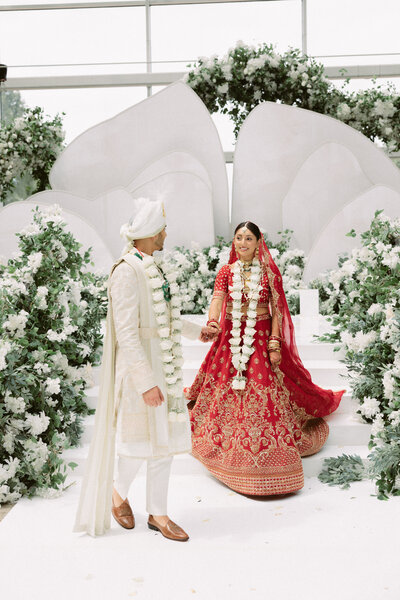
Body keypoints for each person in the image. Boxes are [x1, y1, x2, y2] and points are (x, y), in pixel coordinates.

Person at [74, 197, 214, 540]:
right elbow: (125, 332)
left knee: (163, 443)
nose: (167, 233)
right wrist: (145, 381)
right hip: (141, 371)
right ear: (152, 232)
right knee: (140, 444)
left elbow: (166, 318)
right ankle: (117, 493)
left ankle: (159, 514)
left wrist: (199, 333)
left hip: (164, 366)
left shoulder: (155, 266)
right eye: (163, 228)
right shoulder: (126, 271)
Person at [186, 221, 344, 496]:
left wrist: (274, 343)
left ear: (259, 242)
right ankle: (229, 447)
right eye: (238, 238)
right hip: (231, 339)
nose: (243, 243)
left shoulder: (269, 273)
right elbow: (218, 299)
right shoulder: (226, 271)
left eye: (248, 238)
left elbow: (277, 310)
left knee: (263, 395)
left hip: (259, 338)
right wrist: (213, 322)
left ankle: (268, 464)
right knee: (225, 392)